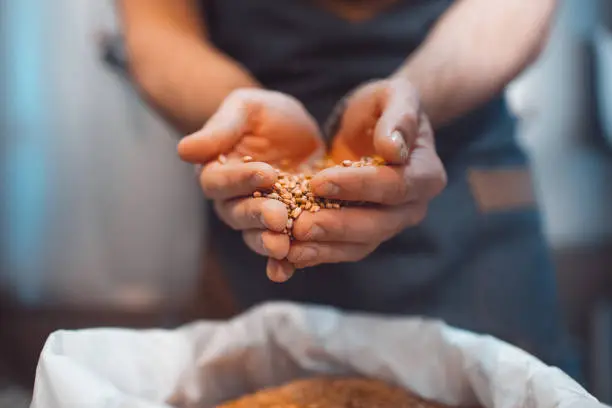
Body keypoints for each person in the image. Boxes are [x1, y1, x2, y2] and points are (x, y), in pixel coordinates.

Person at [118, 0, 581, 379]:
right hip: (259, 202)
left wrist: (409, 104)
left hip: (464, 195)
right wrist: (232, 113)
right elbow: (158, 30)